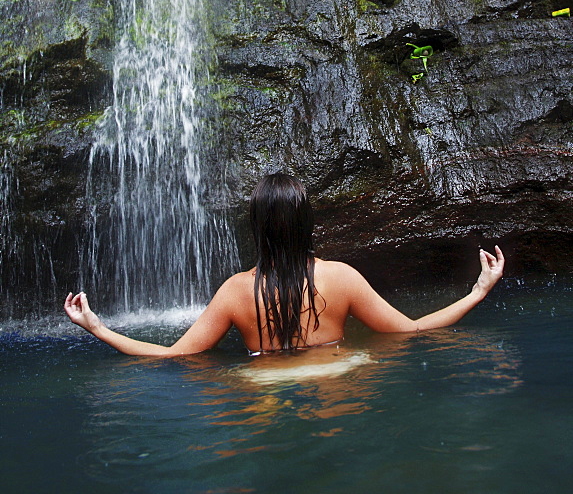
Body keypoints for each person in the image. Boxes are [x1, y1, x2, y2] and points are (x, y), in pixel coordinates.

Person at [64, 172, 505, 357]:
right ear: (307, 223)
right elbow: (412, 330)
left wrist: (98, 328)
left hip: (264, 394)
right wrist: (478, 290)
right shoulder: (341, 277)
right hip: (339, 382)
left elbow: (173, 356)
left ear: (255, 227)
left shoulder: (237, 291)